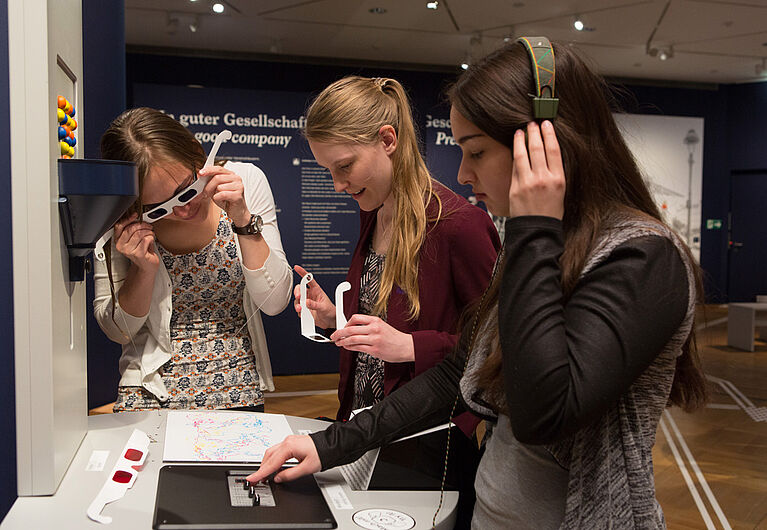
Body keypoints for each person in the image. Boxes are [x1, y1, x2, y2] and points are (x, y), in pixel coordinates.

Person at [247, 40, 708, 529]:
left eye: (477, 152)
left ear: (546, 145)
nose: (464, 174)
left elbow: (542, 412)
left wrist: (534, 227)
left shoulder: (642, 255)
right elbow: (458, 374)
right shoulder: (539, 247)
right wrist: (330, 444)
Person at [296, 76, 500, 428]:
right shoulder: (372, 214)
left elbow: (494, 346)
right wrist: (335, 317)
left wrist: (410, 347)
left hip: (423, 437)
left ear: (388, 140)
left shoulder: (459, 225)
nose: (338, 185)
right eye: (328, 170)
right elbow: (387, 323)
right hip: (361, 427)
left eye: (344, 166)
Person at [94, 107, 292, 412]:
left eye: (187, 190)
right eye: (159, 208)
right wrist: (142, 271)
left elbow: (275, 301)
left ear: (197, 155)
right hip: (149, 389)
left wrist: (242, 219)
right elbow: (119, 332)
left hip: (236, 384)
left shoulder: (243, 182)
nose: (184, 211)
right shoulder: (120, 218)